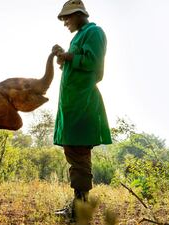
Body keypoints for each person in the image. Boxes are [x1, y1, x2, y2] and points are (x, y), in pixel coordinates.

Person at [51, 0, 112, 220]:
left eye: (67, 17)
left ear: (79, 14)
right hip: (72, 104)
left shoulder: (94, 32)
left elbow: (92, 63)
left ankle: (80, 210)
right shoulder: (78, 36)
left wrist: (68, 56)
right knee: (73, 151)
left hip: (83, 104)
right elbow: (76, 64)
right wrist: (63, 58)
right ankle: (77, 205)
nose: (65, 22)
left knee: (79, 154)